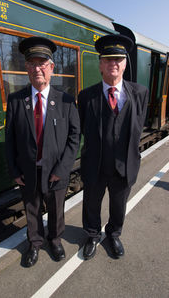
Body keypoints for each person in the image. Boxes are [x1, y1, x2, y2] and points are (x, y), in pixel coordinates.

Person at [5, 36, 80, 267]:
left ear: (51, 68)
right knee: (32, 208)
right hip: (28, 169)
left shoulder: (66, 101)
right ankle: (35, 243)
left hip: (56, 171)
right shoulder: (16, 100)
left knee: (57, 208)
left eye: (42, 64)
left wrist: (63, 167)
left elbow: (74, 136)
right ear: (26, 68)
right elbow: (10, 139)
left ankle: (55, 240)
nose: (37, 69)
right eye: (32, 64)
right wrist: (15, 170)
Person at [78, 34, 148, 260]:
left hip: (123, 165)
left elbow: (138, 127)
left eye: (118, 59)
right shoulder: (86, 96)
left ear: (125, 63)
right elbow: (81, 130)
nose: (113, 64)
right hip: (95, 165)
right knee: (91, 204)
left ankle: (114, 234)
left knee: (119, 206)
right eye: (108, 59)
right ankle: (91, 235)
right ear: (100, 64)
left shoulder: (140, 93)